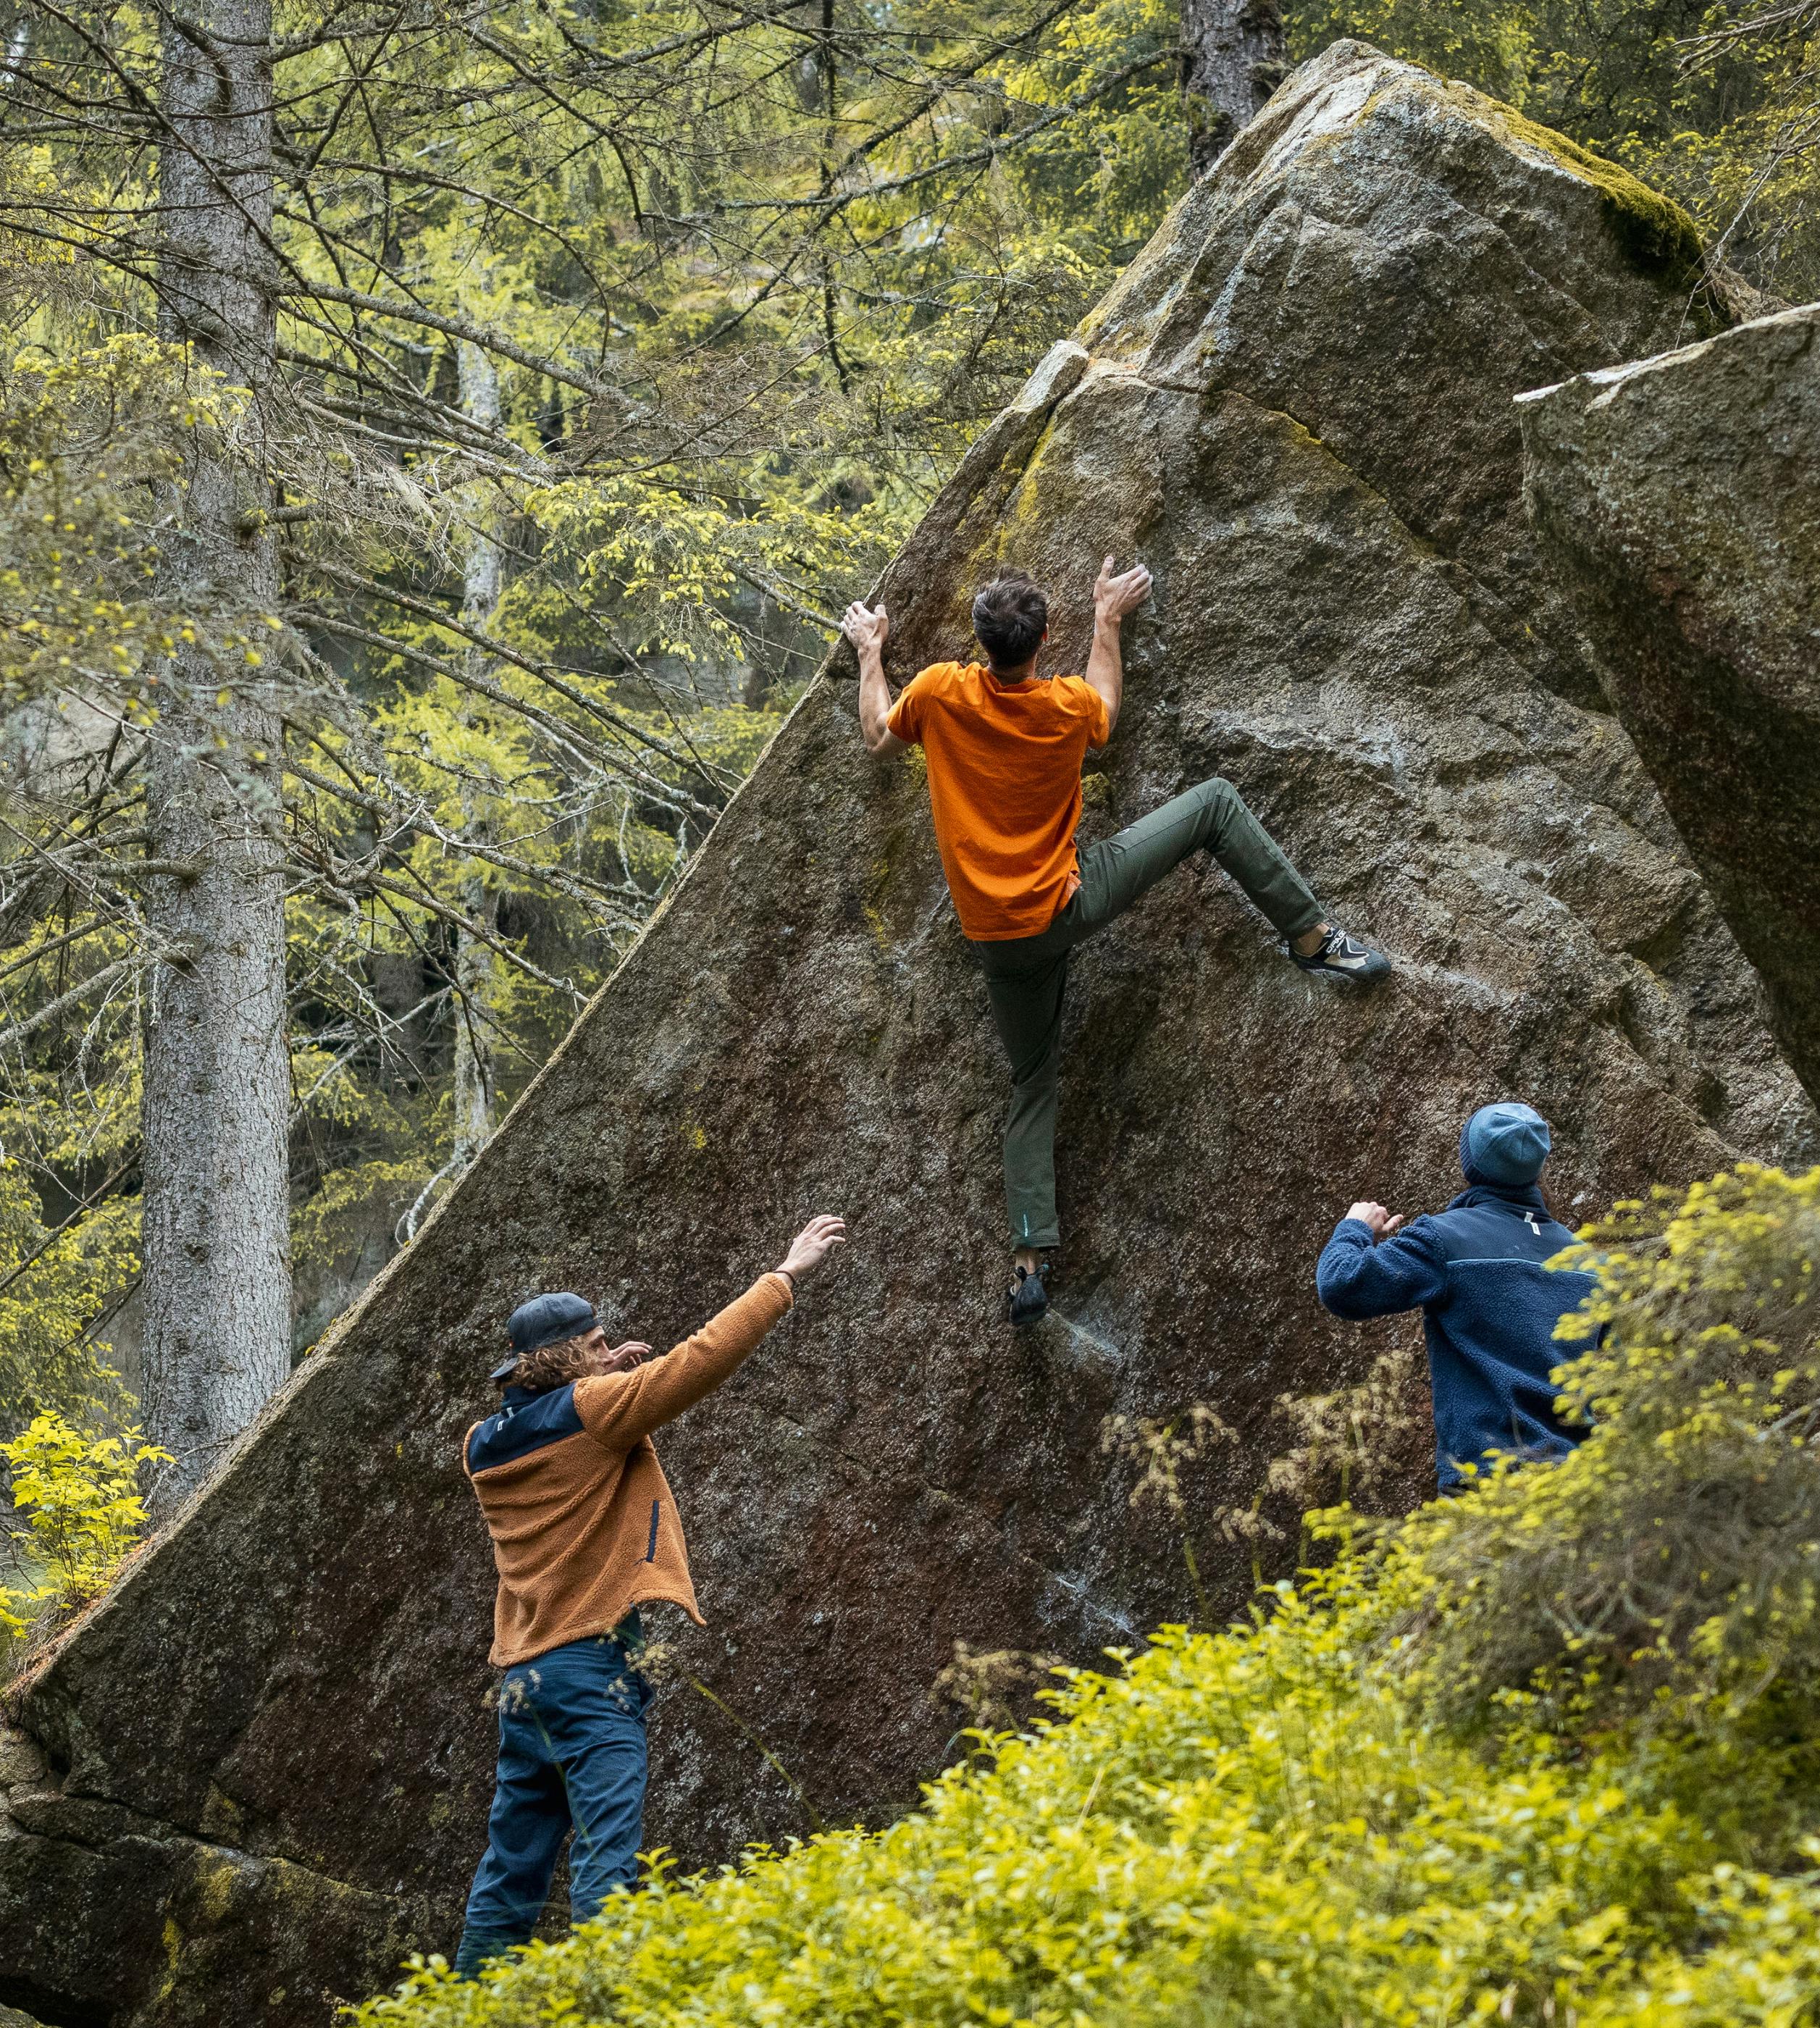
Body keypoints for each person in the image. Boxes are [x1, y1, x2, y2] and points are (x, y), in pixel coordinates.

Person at [844, 558, 1391, 1327]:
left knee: (1032, 1080)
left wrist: (870, 649)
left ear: (980, 643)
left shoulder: (938, 692)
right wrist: (1107, 617)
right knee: (1215, 805)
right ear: (1039, 646)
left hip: (995, 940)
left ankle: (1028, 1260)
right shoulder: (1064, 707)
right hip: (1069, 904)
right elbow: (1106, 703)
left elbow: (876, 733)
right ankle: (1310, 936)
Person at [450, 1213, 847, 1977]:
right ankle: (610, 1998)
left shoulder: (481, 1444)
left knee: (510, 1873)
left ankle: (462, 2005)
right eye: (598, 1344)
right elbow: (699, 1360)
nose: (612, 1349)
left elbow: (567, 1415)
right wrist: (786, 1273)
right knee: (609, 1857)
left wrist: (599, 1379)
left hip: (522, 1683)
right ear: (569, 1358)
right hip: (590, 1670)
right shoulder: (595, 1412)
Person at [1314, 1102, 1594, 1494]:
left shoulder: (1444, 1240)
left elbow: (1342, 1285)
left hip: (1486, 1486)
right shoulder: (1591, 1264)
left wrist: (1353, 1228)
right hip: (1582, 1493)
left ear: (1471, 1165)